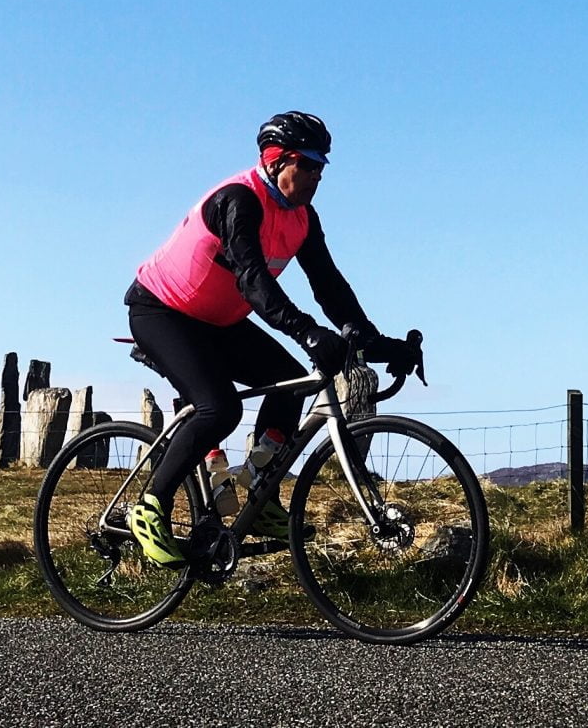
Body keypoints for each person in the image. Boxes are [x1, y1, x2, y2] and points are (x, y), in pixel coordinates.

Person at [121, 111, 399, 567]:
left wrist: (378, 343)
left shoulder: (302, 218)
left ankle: (258, 493)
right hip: (163, 311)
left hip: (219, 319)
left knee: (291, 384)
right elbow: (254, 282)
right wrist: (308, 332)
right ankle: (149, 507)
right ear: (275, 161)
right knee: (219, 408)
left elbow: (329, 285)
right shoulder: (240, 201)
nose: (316, 175)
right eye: (307, 164)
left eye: (321, 167)